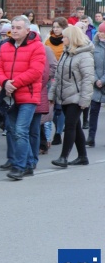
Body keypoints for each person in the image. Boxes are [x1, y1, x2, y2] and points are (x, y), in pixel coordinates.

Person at [0, 16, 46, 180]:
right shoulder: (5, 46)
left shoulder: (37, 46)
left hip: (28, 96)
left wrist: (13, 84)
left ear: (27, 30)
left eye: (18, 28)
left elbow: (35, 72)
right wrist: (4, 82)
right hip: (10, 96)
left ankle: (19, 166)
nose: (14, 31)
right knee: (14, 130)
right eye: (13, 27)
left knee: (21, 131)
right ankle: (28, 164)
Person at [49, 25, 95, 168]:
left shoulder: (85, 55)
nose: (62, 39)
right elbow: (58, 76)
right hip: (64, 96)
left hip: (76, 97)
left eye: (65, 37)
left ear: (72, 38)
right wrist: (52, 94)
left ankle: (63, 157)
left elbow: (88, 79)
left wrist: (84, 100)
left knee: (69, 126)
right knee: (76, 126)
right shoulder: (66, 52)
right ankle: (83, 157)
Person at [45, 17, 69, 146]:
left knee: (60, 107)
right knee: (51, 107)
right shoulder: (47, 41)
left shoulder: (67, 41)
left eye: (58, 27)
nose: (55, 29)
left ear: (63, 28)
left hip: (64, 77)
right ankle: (53, 128)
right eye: (54, 27)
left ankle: (58, 133)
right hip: (50, 78)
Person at [86, 23, 105, 147]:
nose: (100, 33)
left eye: (102, 32)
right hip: (96, 84)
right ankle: (91, 137)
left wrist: (102, 80)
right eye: (99, 31)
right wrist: (95, 79)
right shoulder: (94, 47)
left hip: (102, 82)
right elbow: (90, 64)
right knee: (93, 111)